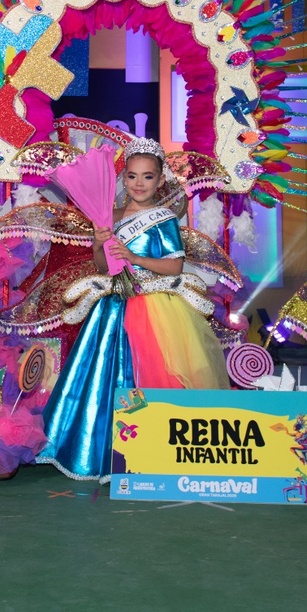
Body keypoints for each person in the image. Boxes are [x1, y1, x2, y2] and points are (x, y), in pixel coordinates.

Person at [36, 138, 229, 482]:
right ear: (123, 178)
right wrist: (99, 245)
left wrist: (135, 258)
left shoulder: (164, 219)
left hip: (153, 307)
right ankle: (90, 450)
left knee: (148, 373)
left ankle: (148, 453)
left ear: (160, 180)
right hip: (111, 306)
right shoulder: (109, 217)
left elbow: (174, 266)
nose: (140, 183)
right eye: (132, 176)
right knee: (98, 377)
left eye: (148, 176)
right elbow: (103, 266)